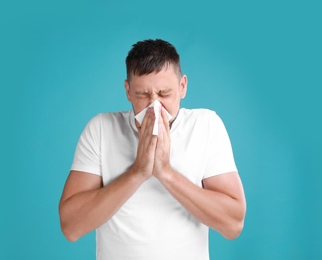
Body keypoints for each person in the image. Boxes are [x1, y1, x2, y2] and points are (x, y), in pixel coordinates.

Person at [59, 39, 246, 260]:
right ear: (128, 91)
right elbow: (71, 226)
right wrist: (138, 171)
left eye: (165, 94)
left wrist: (165, 172)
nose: (154, 106)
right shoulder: (101, 129)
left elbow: (233, 224)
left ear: (182, 86)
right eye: (143, 95)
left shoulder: (206, 126)